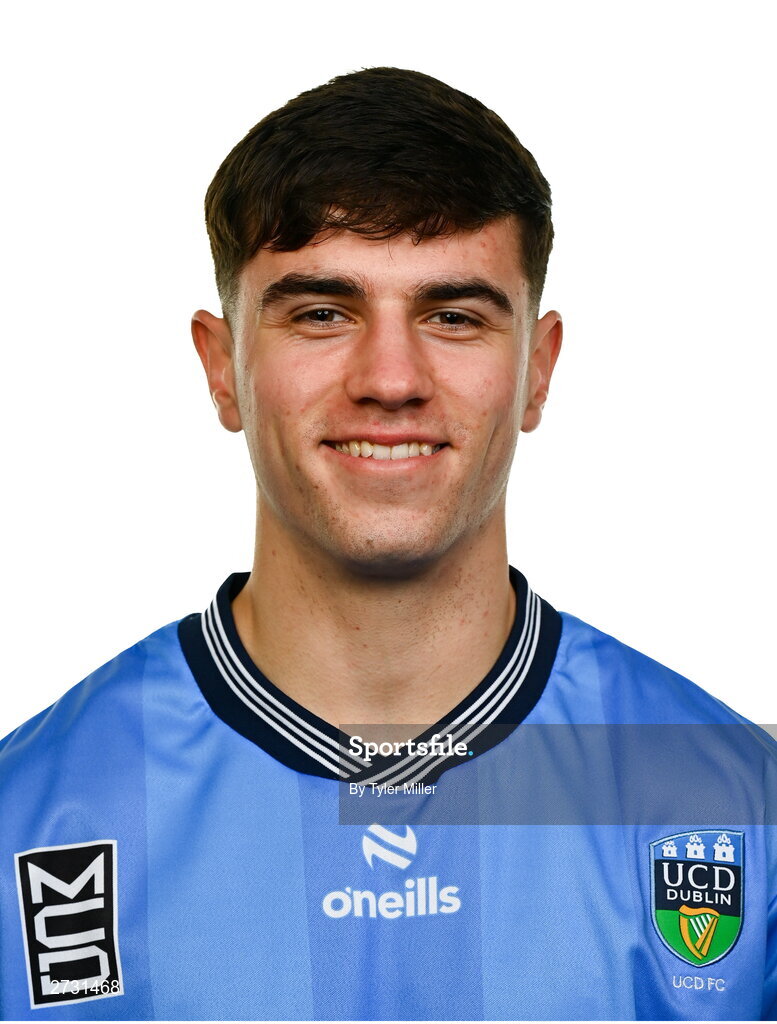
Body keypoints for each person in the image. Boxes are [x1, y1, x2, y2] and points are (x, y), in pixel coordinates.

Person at [0, 67, 774, 1022]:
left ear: (536, 372)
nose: (391, 379)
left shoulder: (740, 806)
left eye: (453, 316)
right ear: (221, 367)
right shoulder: (28, 817)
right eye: (321, 313)